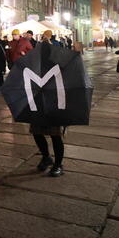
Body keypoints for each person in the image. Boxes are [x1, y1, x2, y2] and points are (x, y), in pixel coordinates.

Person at [30, 42, 82, 177]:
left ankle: (58, 164)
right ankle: (46, 157)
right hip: (39, 105)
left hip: (56, 105)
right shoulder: (34, 65)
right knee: (36, 132)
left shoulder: (60, 65)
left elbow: (69, 83)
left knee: (55, 135)